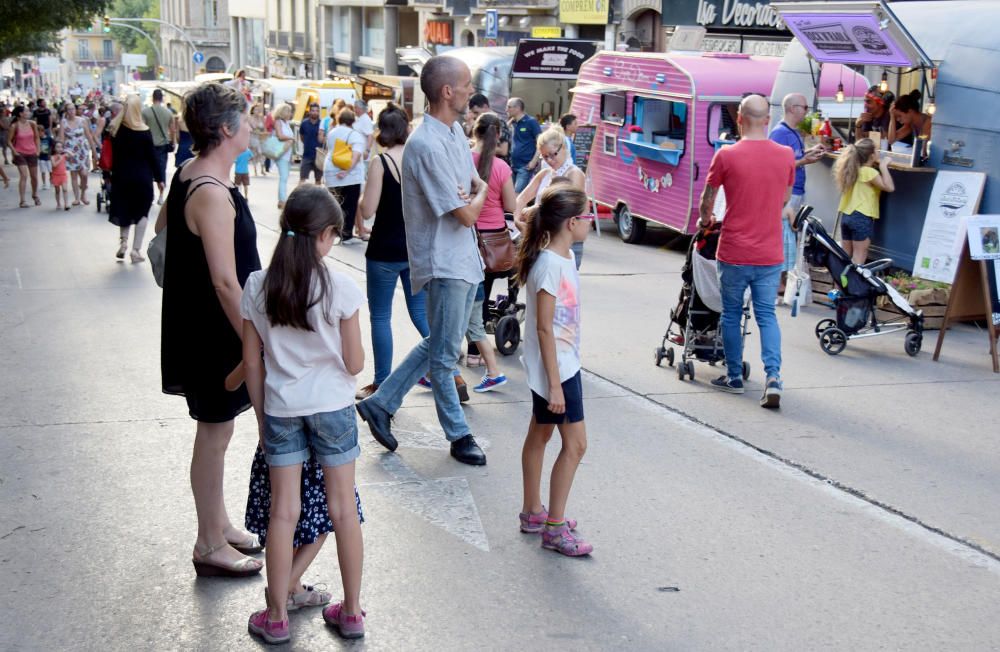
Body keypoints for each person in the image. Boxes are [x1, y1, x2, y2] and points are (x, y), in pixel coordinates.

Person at [242, 185, 367, 643]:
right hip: (332, 408)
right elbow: (355, 364)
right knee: (343, 512)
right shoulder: (340, 288)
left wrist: (261, 417)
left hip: (280, 409)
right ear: (324, 235)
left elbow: (253, 362)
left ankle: (276, 617)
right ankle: (351, 612)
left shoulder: (257, 285)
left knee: (283, 514)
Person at [355, 55, 490, 467]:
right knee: (445, 353)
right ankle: (458, 433)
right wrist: (479, 193)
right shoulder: (426, 143)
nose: (471, 91)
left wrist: (475, 191)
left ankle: (381, 403)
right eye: (466, 84)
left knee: (439, 343)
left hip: (463, 258)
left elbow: (470, 187)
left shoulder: (452, 135)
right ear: (448, 91)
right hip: (444, 260)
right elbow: (467, 208)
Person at [157, 82, 264, 579]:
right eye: (245, 119)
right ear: (225, 129)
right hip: (214, 332)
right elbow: (225, 281)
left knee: (218, 431)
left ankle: (219, 524)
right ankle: (207, 543)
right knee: (215, 435)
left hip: (204, 326)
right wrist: (250, 335)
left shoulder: (189, 174)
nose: (253, 125)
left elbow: (163, 234)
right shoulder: (210, 193)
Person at [698, 94, 795, 408]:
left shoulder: (726, 156)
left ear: (739, 119)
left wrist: (704, 220)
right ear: (768, 120)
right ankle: (774, 376)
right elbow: (783, 201)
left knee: (730, 314)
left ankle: (734, 376)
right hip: (769, 252)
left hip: (735, 250)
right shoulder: (786, 155)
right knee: (767, 315)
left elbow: (707, 200)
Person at [515, 184, 593, 557]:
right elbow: (544, 328)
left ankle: (534, 511)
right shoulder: (549, 265)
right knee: (576, 445)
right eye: (588, 216)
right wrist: (556, 385)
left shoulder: (562, 259)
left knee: (541, 436)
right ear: (571, 223)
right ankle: (554, 527)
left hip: (558, 365)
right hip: (557, 369)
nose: (591, 222)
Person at [356, 103, 429, 399]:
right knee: (421, 313)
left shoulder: (380, 163)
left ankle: (381, 382)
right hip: (415, 249)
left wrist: (362, 197)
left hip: (384, 251)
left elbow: (368, 209)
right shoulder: (419, 160)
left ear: (381, 131)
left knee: (380, 317)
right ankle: (448, 372)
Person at [466, 111, 516, 391]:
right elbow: (511, 205)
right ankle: (476, 353)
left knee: (471, 295)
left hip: (467, 235)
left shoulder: (462, 160)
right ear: (497, 135)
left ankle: (470, 350)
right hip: (494, 239)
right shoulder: (501, 167)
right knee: (483, 296)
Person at [769, 93, 826, 296]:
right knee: (784, 236)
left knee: (789, 235)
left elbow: (793, 158)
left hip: (796, 190)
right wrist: (804, 161)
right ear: (793, 108)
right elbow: (775, 165)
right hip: (787, 192)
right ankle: (778, 282)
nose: (807, 111)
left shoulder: (792, 133)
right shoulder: (779, 133)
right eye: (804, 107)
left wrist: (807, 154)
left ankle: (782, 281)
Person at [515, 127, 587, 269]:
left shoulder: (575, 173)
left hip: (565, 240)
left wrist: (535, 209)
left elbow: (567, 207)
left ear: (564, 147)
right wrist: (517, 219)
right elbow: (521, 198)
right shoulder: (545, 173)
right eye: (545, 157)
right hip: (543, 237)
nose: (550, 160)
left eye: (553, 154)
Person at [109, 94, 162, 263]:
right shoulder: (144, 131)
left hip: (121, 177)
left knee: (125, 210)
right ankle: (135, 250)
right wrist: (160, 178)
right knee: (142, 213)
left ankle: (123, 243)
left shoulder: (115, 130)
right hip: (142, 178)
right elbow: (152, 157)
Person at [833, 138, 895, 265]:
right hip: (862, 216)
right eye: (877, 151)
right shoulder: (868, 172)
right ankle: (854, 284)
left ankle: (837, 285)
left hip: (846, 215)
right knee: (858, 259)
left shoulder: (851, 170)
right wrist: (883, 166)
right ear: (872, 155)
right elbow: (889, 187)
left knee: (844, 257)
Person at [323, 108, 366, 244]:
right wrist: (347, 170)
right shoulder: (355, 135)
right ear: (352, 121)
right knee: (349, 205)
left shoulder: (332, 132)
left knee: (335, 205)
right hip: (349, 176)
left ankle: (334, 233)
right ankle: (346, 236)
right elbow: (356, 155)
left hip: (330, 172)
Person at [142, 89, 176, 205]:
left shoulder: (145, 112)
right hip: (162, 145)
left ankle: (150, 195)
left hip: (148, 144)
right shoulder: (168, 112)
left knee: (148, 170)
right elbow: (172, 130)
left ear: (153, 98)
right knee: (161, 170)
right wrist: (174, 142)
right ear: (162, 98)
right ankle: (161, 196)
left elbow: (142, 128)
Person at [60, 102, 97, 206]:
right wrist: (61, 151)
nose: (71, 111)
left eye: (73, 109)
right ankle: (77, 198)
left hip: (82, 149)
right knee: (74, 175)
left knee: (84, 174)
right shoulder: (63, 122)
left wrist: (94, 152)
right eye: (69, 109)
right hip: (70, 150)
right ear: (66, 112)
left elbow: (89, 136)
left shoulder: (82, 120)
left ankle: (83, 194)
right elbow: (62, 138)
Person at [506, 97, 542, 193]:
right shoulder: (513, 123)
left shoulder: (531, 122)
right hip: (513, 165)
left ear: (517, 108)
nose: (507, 110)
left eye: (509, 107)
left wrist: (534, 161)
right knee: (510, 195)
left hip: (525, 166)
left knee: (517, 195)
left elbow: (540, 142)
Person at [8, 105, 41, 207]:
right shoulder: (14, 126)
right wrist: (14, 152)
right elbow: (9, 141)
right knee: (24, 175)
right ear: (21, 114)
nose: (28, 112)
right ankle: (22, 201)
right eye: (26, 111)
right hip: (20, 153)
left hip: (32, 152)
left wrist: (38, 150)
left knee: (34, 177)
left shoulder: (32, 124)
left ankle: (35, 195)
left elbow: (37, 138)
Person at [271, 103, 295, 209]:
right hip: (281, 154)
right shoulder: (278, 122)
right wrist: (291, 139)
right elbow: (280, 136)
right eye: (289, 111)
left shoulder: (286, 123)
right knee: (283, 178)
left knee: (285, 177)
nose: (290, 114)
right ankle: (282, 200)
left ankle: (282, 200)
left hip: (287, 154)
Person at [298, 102, 323, 185]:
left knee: (318, 180)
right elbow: (302, 137)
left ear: (319, 112)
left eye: (316, 111)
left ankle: (317, 197)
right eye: (313, 110)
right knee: (302, 179)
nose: (315, 112)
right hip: (307, 155)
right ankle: (300, 197)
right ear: (309, 111)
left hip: (319, 156)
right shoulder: (304, 123)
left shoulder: (322, 124)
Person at [50, 140, 69, 209]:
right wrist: (60, 159)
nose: (59, 149)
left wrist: (67, 151)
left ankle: (66, 204)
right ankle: (58, 203)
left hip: (63, 175)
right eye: (57, 147)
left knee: (65, 189)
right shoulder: (52, 157)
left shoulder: (64, 155)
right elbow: (54, 165)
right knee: (57, 190)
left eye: (61, 147)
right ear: (54, 148)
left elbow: (72, 156)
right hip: (55, 175)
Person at [248, 103, 266, 175]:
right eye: (256, 110)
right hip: (253, 137)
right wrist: (255, 131)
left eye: (258, 110)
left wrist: (264, 132)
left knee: (262, 153)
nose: (257, 111)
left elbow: (264, 128)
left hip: (261, 137)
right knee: (256, 153)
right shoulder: (249, 118)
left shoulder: (261, 118)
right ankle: (255, 170)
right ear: (252, 110)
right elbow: (249, 129)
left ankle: (262, 169)